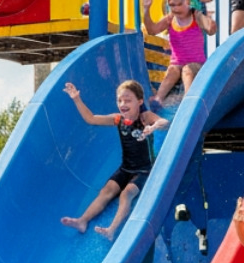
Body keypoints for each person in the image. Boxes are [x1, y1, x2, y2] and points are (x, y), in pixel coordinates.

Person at [60, 80, 169, 239]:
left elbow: (164, 122)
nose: (123, 103)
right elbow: (91, 119)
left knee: (126, 194)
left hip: (144, 170)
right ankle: (82, 221)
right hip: (125, 168)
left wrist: (154, 126)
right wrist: (76, 98)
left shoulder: (145, 117)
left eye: (128, 100)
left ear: (139, 101)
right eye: (120, 100)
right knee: (106, 191)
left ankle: (112, 229)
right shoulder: (118, 120)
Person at [142, 0, 216, 105]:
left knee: (187, 70)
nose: (176, 9)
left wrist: (209, 23)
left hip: (197, 64)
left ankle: (188, 101)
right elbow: (152, 30)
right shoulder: (170, 19)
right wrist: (146, 9)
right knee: (172, 70)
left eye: (179, 4)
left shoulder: (195, 15)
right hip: (177, 64)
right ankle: (158, 99)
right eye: (172, 5)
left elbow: (211, 30)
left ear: (187, 1)